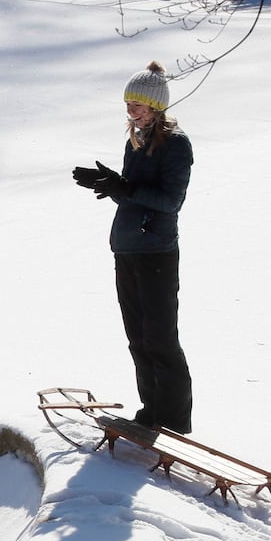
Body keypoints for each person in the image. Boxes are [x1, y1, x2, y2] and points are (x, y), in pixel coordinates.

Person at [72, 60, 196, 433]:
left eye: (138, 105)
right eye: (129, 104)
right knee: (138, 337)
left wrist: (126, 189)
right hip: (127, 247)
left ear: (157, 106)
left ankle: (173, 421)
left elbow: (170, 201)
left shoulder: (176, 144)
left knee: (160, 338)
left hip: (156, 251)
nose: (132, 110)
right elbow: (136, 197)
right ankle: (150, 412)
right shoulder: (136, 140)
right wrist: (113, 184)